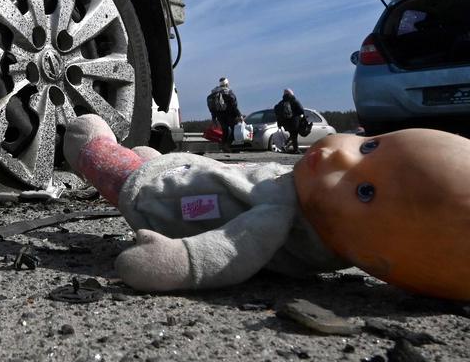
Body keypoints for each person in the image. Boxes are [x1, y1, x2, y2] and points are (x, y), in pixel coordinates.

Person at [62, 114, 470, 299]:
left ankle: (86, 149)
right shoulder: (312, 204)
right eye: (370, 146)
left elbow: (231, 250)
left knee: (102, 152)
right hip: (190, 172)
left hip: (162, 198)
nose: (341, 157)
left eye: (364, 191)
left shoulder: (281, 217)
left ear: (374, 260)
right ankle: (147, 158)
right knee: (154, 160)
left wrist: (178, 260)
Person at [206, 77, 240, 152]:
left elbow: (213, 108)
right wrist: (239, 115)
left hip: (220, 116)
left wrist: (214, 118)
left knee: (225, 131)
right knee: (235, 130)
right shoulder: (229, 92)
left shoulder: (215, 93)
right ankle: (227, 145)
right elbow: (234, 106)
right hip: (230, 115)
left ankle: (223, 145)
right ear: (227, 83)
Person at [274, 88, 305, 153]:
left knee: (292, 135)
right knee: (294, 135)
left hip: (285, 123)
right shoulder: (294, 101)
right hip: (294, 121)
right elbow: (301, 110)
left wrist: (279, 123)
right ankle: (294, 149)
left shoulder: (281, 102)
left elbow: (277, 113)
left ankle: (289, 146)